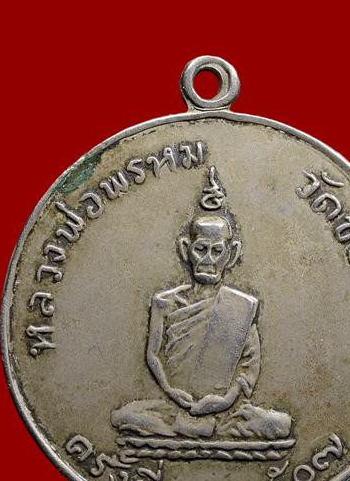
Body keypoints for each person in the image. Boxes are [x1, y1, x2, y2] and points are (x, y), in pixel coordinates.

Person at [111, 169, 292, 441]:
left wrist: (225, 400)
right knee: (125, 416)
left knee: (278, 424)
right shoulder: (165, 302)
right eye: (200, 249)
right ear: (186, 249)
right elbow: (153, 356)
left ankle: (199, 428)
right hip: (173, 404)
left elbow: (248, 367)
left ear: (232, 254)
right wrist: (171, 392)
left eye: (217, 251)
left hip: (225, 408)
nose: (208, 259)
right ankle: (196, 428)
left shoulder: (241, 307)